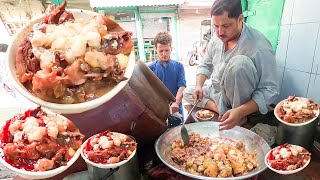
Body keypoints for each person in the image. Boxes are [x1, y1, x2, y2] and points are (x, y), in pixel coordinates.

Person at [183, 0, 279, 130]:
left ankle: (238, 116)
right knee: (188, 92)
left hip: (241, 100)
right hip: (217, 93)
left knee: (239, 64)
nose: (219, 32)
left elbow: (270, 89)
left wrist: (241, 110)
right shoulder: (217, 37)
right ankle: (219, 108)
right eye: (216, 26)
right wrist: (199, 86)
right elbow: (205, 65)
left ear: (240, 19)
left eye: (226, 26)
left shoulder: (259, 46)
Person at [149, 32, 186, 118]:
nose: (164, 54)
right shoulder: (150, 69)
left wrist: (176, 103)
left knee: (179, 130)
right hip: (158, 111)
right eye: (161, 51)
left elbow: (182, 86)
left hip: (176, 109)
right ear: (156, 50)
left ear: (171, 48)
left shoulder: (179, 66)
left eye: (167, 50)